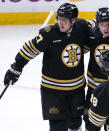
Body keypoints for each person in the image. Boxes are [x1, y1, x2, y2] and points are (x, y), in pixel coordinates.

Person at [3, 3, 91, 131]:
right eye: (59, 19)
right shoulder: (49, 34)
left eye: (64, 20)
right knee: (57, 127)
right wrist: (16, 67)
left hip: (76, 90)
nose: (60, 23)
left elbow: (95, 24)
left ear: (74, 20)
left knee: (75, 123)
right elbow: (29, 48)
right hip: (53, 92)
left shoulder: (82, 27)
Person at [84, 7, 109, 109]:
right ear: (97, 24)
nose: (105, 28)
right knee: (89, 117)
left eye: (108, 25)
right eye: (102, 25)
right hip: (93, 82)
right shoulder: (91, 34)